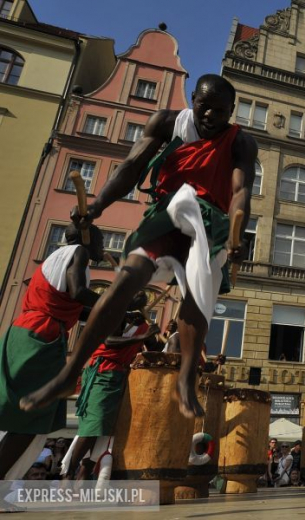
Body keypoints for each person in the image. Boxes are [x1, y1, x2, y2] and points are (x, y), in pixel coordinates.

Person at [20, 74, 258, 419]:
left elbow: (241, 191)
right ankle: (69, 373)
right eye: (204, 107)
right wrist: (99, 203)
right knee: (126, 280)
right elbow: (131, 167)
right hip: (165, 212)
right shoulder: (165, 122)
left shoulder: (241, 142)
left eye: (219, 112)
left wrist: (238, 231)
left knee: (198, 295)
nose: (209, 116)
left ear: (231, 112)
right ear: (193, 98)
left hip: (210, 223)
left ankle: (186, 379)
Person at [0, 223, 122, 480]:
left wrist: (123, 310)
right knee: (29, 420)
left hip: (28, 332)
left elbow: (82, 311)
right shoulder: (79, 252)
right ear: (87, 238)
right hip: (40, 337)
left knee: (23, 419)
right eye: (101, 241)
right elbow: (80, 293)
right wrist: (119, 299)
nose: (104, 248)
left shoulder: (56, 261)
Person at [65, 308, 159, 479]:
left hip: (121, 376)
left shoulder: (143, 325)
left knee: (106, 429)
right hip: (103, 371)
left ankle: (85, 473)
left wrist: (157, 334)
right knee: (94, 423)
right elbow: (109, 341)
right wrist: (142, 337)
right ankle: (69, 472)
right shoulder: (117, 314)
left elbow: (155, 348)